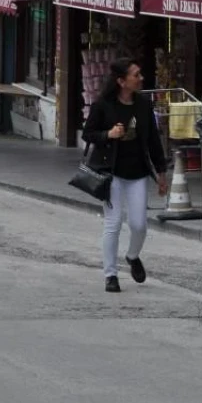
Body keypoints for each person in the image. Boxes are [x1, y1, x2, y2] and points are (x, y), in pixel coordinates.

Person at [83, 58, 169, 293]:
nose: (141, 78)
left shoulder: (143, 104)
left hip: (137, 173)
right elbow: (88, 134)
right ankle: (110, 275)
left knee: (139, 225)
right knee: (113, 224)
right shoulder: (103, 104)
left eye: (140, 74)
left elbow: (153, 140)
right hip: (111, 172)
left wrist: (161, 173)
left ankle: (132, 256)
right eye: (136, 75)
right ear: (122, 81)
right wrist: (108, 134)